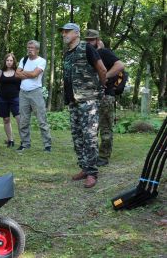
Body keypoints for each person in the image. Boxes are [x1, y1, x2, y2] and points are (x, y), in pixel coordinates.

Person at [60, 23, 107, 188]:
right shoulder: (67, 54)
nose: (63, 34)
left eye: (67, 31)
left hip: (88, 100)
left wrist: (101, 89)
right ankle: (85, 168)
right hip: (73, 101)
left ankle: (92, 173)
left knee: (89, 137)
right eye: (63, 32)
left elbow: (101, 69)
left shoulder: (87, 48)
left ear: (76, 33)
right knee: (77, 137)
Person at [85, 29, 125, 167]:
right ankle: (93, 154)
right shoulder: (88, 54)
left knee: (105, 127)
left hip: (106, 96)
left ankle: (103, 156)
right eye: (87, 40)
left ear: (97, 40)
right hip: (91, 96)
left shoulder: (104, 53)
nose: (89, 42)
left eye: (92, 39)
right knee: (91, 127)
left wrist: (104, 76)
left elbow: (120, 65)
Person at [15, 40, 52, 152]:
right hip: (23, 93)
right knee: (23, 120)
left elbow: (35, 74)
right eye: (28, 47)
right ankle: (25, 144)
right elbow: (17, 74)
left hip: (36, 92)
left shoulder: (42, 61)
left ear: (37, 49)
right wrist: (29, 74)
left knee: (41, 119)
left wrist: (24, 73)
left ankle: (47, 145)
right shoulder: (24, 59)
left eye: (32, 48)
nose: (29, 50)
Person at [0, 53, 21, 148]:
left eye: (11, 60)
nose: (9, 62)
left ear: (13, 61)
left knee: (19, 118)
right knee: (6, 119)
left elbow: (21, 85)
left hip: (15, 98)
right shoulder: (0, 72)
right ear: (5, 61)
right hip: (2, 98)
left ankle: (24, 140)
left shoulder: (17, 71)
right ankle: (10, 140)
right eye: (7, 60)